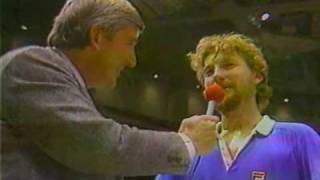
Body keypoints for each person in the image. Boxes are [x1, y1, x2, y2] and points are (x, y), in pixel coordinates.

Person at [0, 0, 219, 179]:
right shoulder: (29, 65)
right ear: (98, 37)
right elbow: (100, 147)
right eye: (130, 43)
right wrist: (187, 143)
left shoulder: (70, 87)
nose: (132, 61)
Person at [156, 33, 320, 180]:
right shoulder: (191, 150)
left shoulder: (299, 139)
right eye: (209, 72)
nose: (217, 76)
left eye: (228, 65)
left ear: (257, 76)